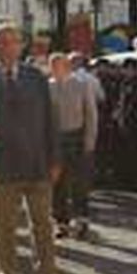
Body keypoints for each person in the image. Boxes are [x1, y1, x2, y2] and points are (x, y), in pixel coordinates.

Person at [0, 24, 64, 274]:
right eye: (0, 43)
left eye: (12, 42)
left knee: (43, 228)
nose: (6, 47)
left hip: (36, 164)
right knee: (3, 230)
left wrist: (55, 158)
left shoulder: (36, 78)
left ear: (21, 46)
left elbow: (51, 121)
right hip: (0, 168)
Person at [49, 52, 99, 240]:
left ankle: (82, 220)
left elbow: (91, 114)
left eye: (58, 65)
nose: (55, 69)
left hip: (77, 137)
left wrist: (89, 141)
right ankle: (60, 221)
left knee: (80, 182)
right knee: (57, 182)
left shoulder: (81, 85)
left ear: (67, 67)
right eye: (52, 66)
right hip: (56, 139)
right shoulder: (48, 88)